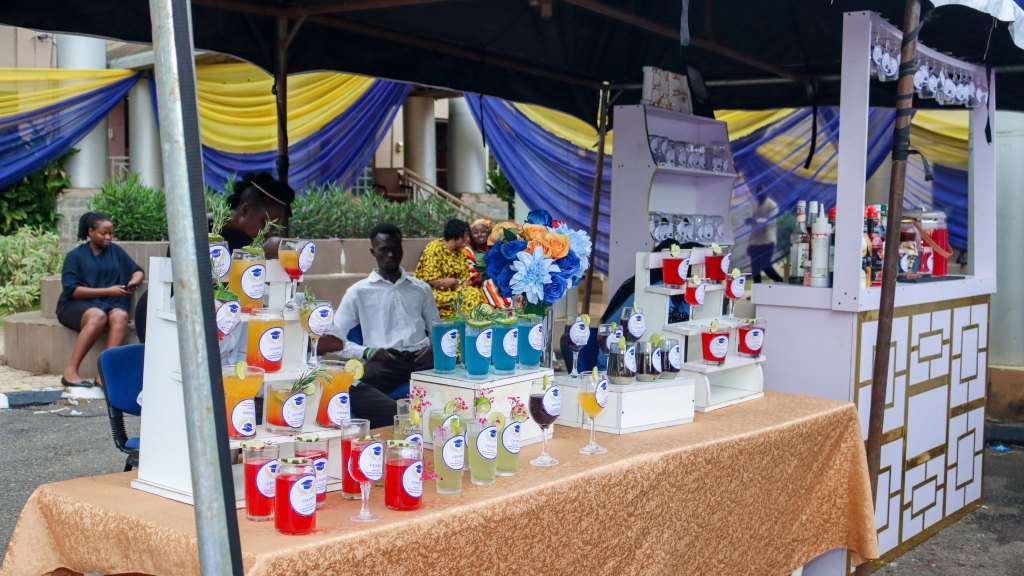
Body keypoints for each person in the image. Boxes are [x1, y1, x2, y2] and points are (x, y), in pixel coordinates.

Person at [134, 172, 295, 343]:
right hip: (169, 318)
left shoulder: (241, 236)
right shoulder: (198, 230)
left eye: (274, 228)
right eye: (265, 223)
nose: (268, 232)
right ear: (245, 210)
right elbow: (210, 284)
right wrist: (263, 252)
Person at [318, 223, 440, 428]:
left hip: (421, 359)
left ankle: (411, 420)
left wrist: (434, 349)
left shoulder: (421, 289)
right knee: (344, 389)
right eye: (384, 249)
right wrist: (367, 352)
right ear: (373, 251)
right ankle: (399, 418)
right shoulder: (358, 292)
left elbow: (437, 328)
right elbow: (333, 340)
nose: (391, 254)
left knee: (458, 376)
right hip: (384, 362)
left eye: (396, 248)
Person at [57, 212, 145, 388]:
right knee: (97, 316)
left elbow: (137, 270)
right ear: (90, 232)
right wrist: (109, 290)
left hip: (110, 303)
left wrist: (133, 281)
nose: (108, 237)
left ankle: (103, 375)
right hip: (75, 305)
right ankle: (70, 372)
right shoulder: (75, 256)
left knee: (120, 316)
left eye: (110, 233)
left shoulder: (115, 251)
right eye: (103, 233)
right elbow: (72, 290)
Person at [414, 218, 484, 318]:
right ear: (456, 235)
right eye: (466, 236)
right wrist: (453, 283)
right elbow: (432, 281)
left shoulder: (460, 253)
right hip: (432, 291)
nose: (468, 239)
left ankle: (466, 324)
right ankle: (460, 324)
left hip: (454, 290)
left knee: (475, 293)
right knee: (468, 298)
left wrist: (455, 282)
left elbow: (466, 281)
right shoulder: (434, 248)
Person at [746, 192, 784, 283]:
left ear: (766, 192)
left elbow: (770, 221)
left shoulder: (772, 205)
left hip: (767, 242)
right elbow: (754, 226)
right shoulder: (756, 205)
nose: (759, 195)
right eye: (757, 193)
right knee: (755, 269)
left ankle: (780, 282)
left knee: (765, 266)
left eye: (761, 192)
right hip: (755, 242)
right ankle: (757, 289)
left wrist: (755, 220)